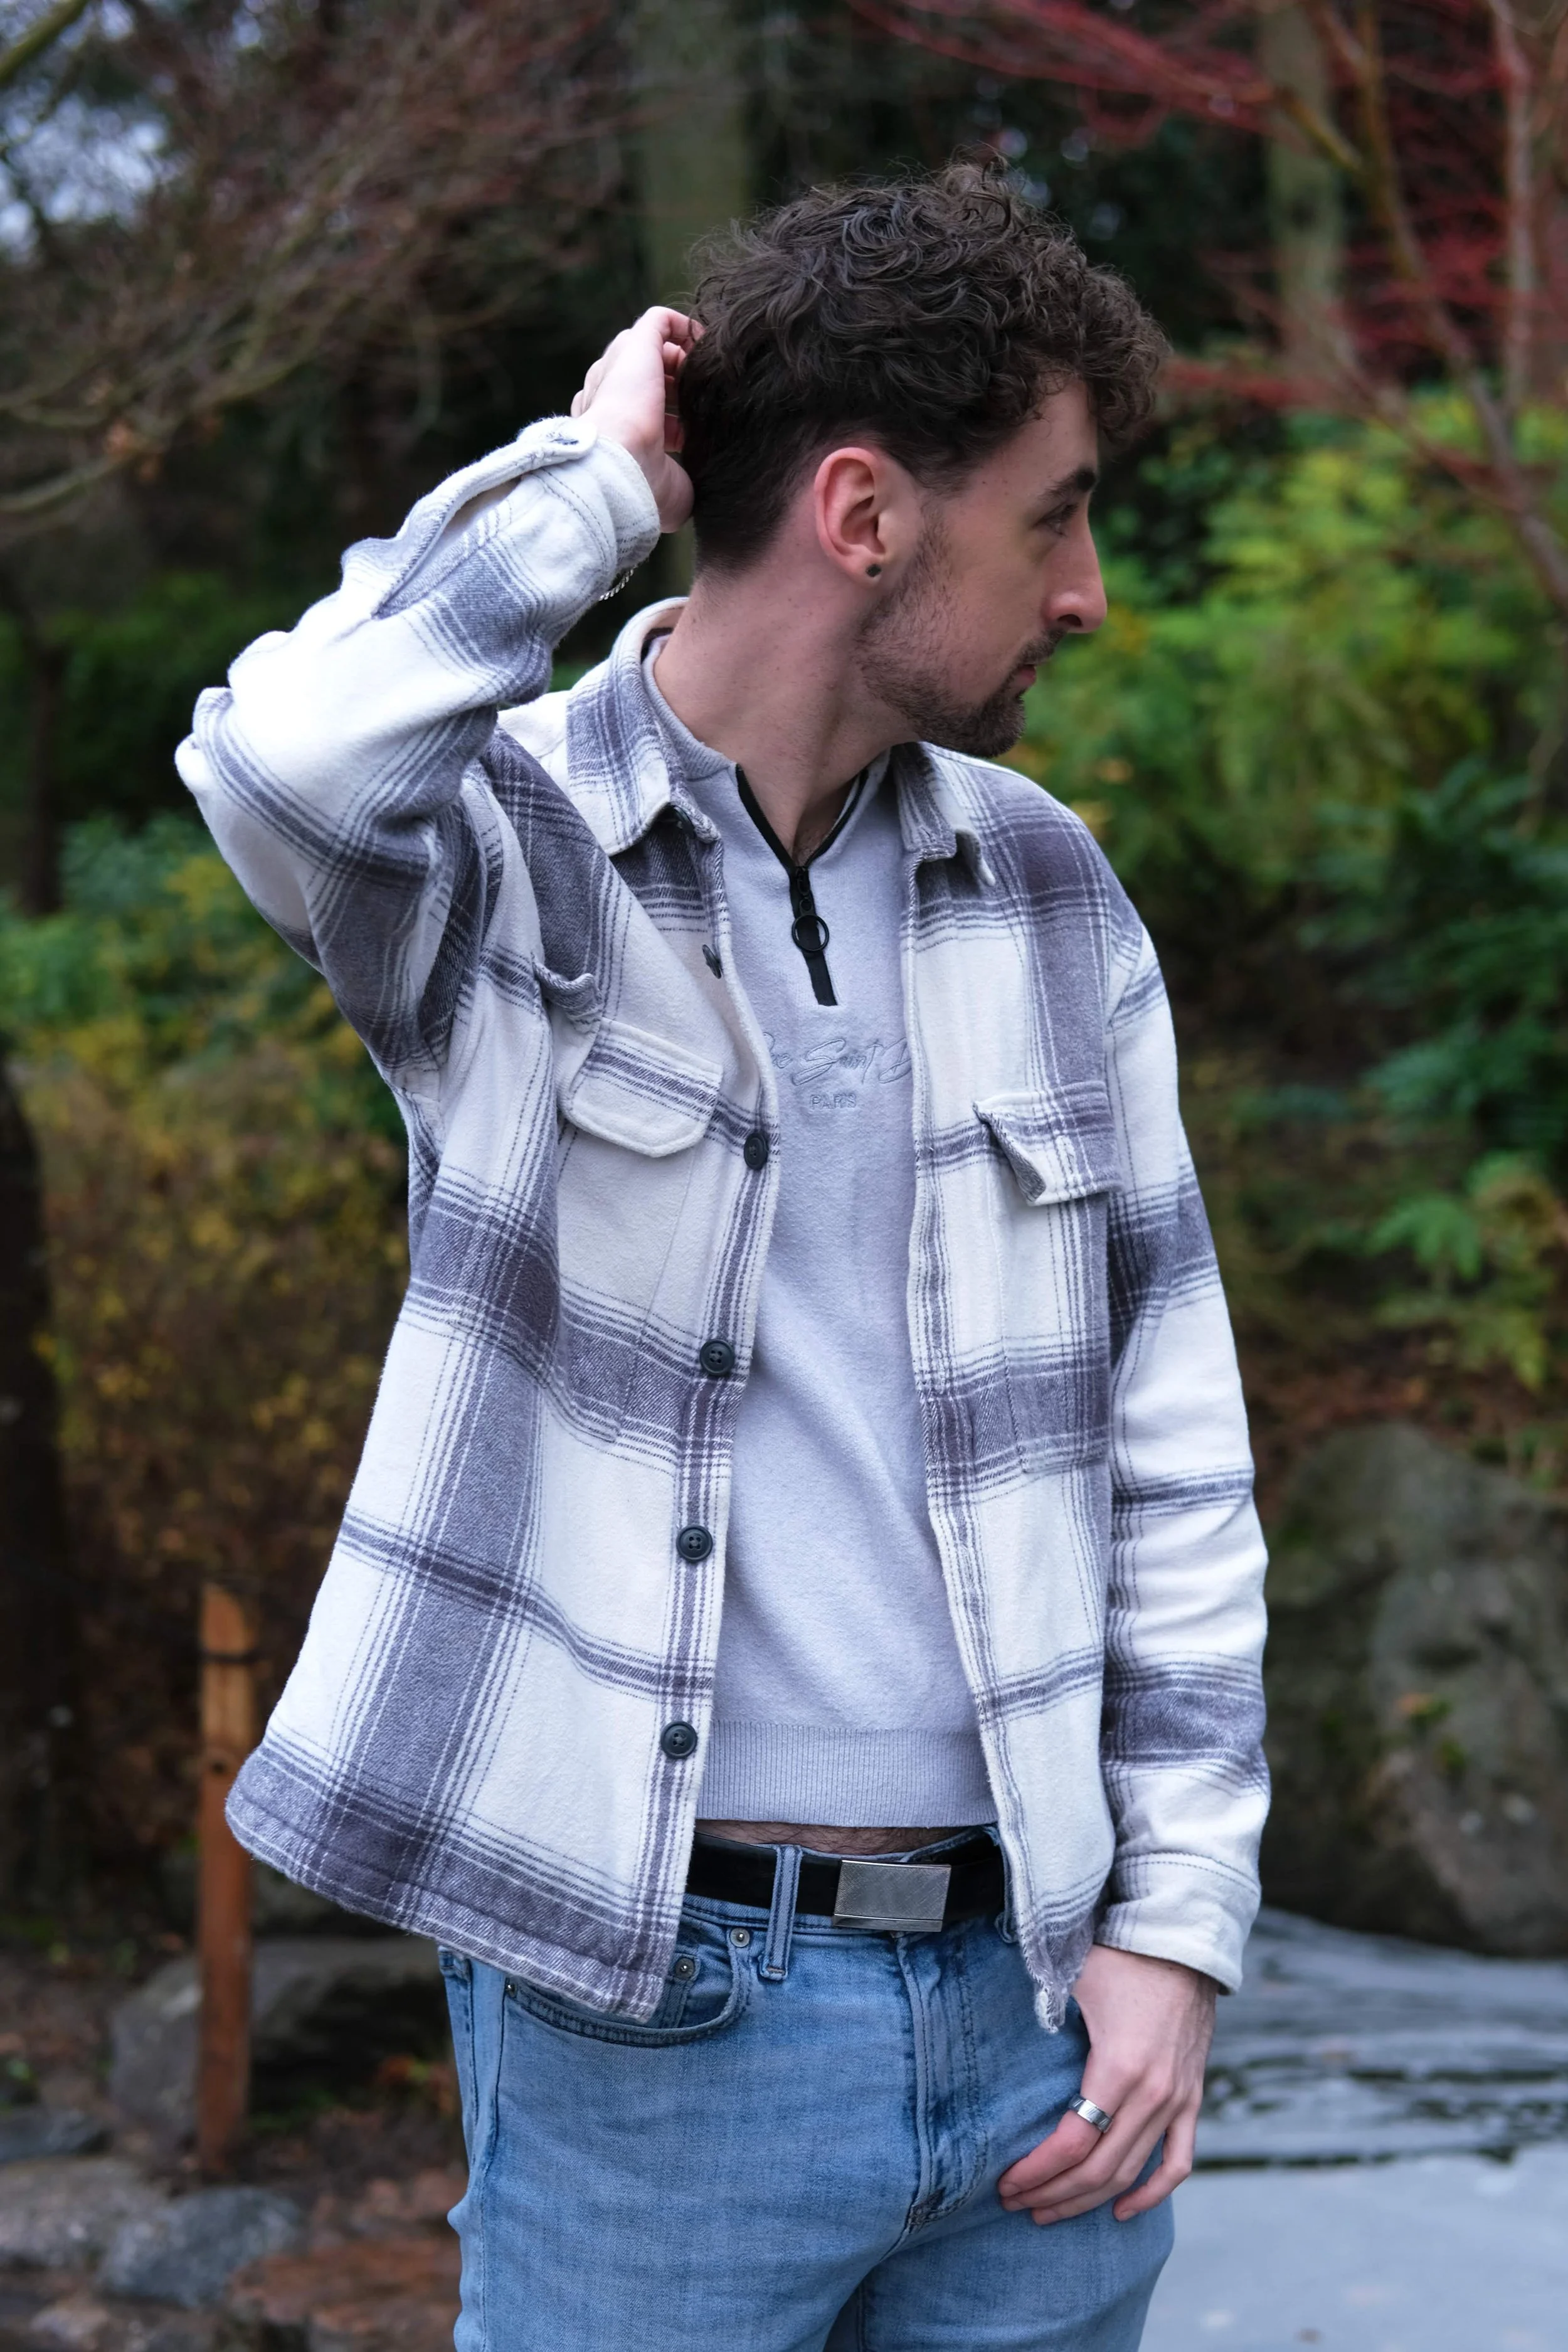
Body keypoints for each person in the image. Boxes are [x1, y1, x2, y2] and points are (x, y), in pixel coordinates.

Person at [180, 162, 1268, 2351]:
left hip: (1042, 2007)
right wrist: (590, 485)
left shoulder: (1053, 893)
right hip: (660, 2017)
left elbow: (1173, 1450)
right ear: (863, 514)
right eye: (1051, 516)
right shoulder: (499, 853)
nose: (1082, 590)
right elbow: (282, 755)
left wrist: (1176, 1926)